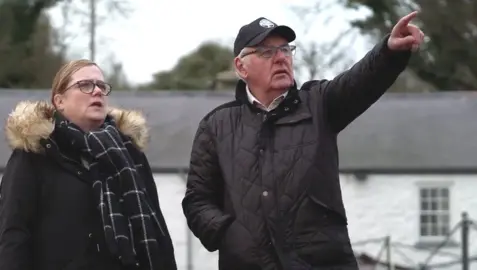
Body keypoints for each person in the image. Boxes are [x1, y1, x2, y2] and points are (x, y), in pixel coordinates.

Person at [182, 12, 424, 270]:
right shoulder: (216, 126)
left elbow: (361, 81)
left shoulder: (319, 103)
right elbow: (197, 200)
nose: (281, 58)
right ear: (241, 67)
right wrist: (230, 234)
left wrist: (389, 51)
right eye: (266, 52)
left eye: (285, 49)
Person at [0, 59, 177, 270]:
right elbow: (13, 233)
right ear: (59, 101)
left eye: (102, 86)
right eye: (85, 85)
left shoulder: (130, 154)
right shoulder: (34, 154)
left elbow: (158, 231)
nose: (97, 92)